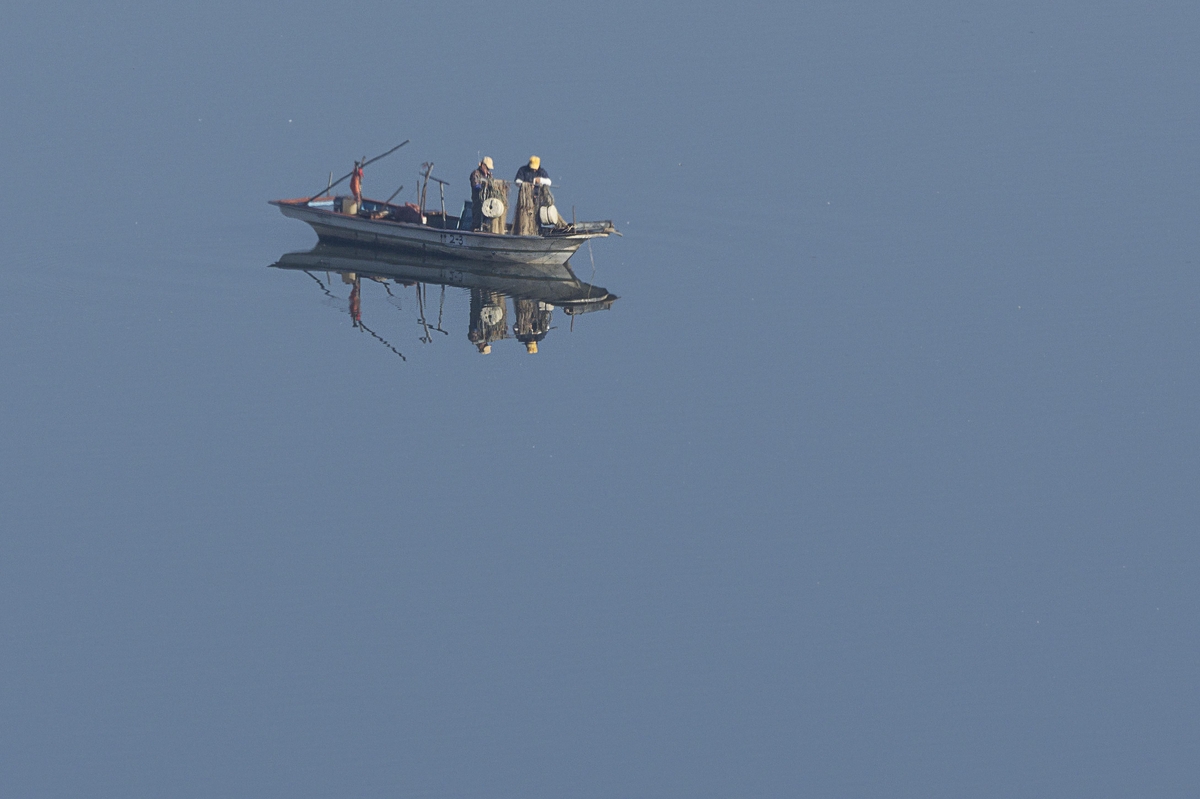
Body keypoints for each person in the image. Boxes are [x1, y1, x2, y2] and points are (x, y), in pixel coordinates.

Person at [469, 156, 494, 231]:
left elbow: (492, 183)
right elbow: (475, 185)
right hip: (478, 200)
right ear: (483, 166)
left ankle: (486, 229)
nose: (488, 170)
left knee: (487, 218)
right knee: (477, 218)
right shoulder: (475, 173)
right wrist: (483, 186)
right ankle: (474, 232)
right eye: (487, 168)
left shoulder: (489, 175)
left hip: (487, 200)